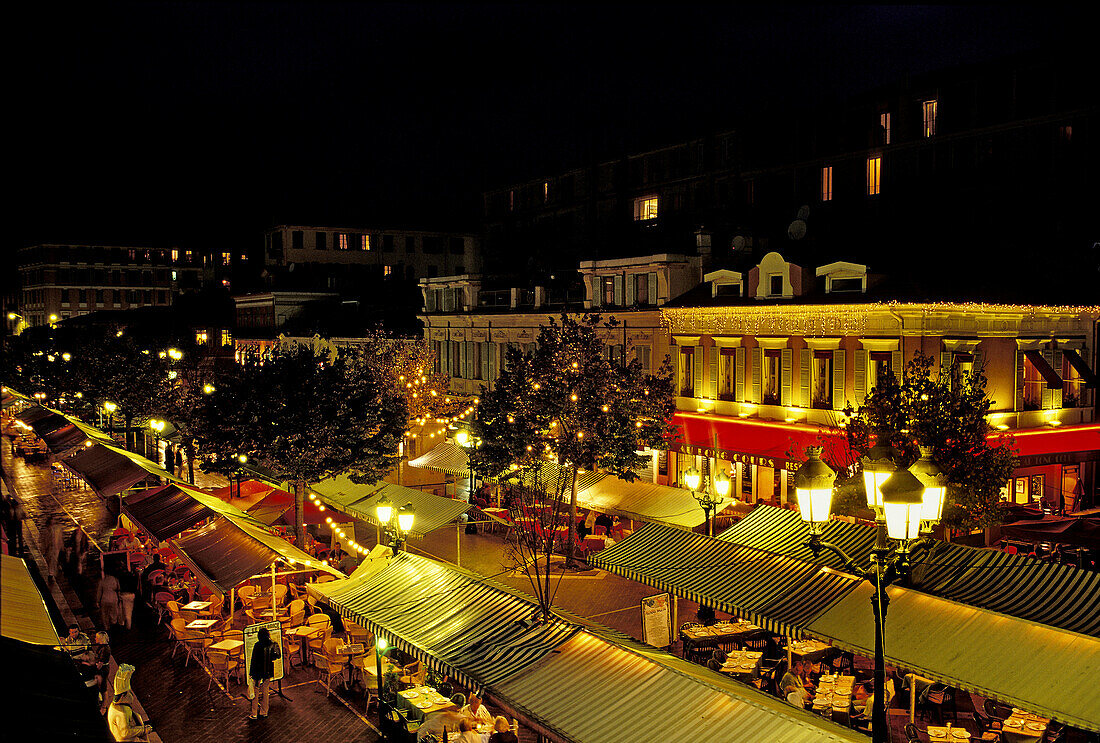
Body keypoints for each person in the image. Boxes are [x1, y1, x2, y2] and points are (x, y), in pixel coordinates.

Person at [107, 664, 152, 742]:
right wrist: (143, 730)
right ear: (123, 696)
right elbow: (125, 732)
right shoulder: (121, 711)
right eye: (129, 693)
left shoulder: (117, 706)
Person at [248, 627, 280, 720]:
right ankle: (264, 712)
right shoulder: (272, 644)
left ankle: (254, 713)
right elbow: (277, 655)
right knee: (265, 691)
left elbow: (253, 660)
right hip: (268, 671)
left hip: (257, 672)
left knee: (255, 692)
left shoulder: (257, 645)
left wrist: (251, 673)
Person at [43, 514, 65, 581]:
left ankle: (51, 573)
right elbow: (44, 540)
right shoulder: (47, 530)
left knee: (53, 559)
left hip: (55, 547)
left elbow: (60, 538)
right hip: (50, 547)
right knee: (50, 560)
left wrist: (61, 546)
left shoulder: (57, 529)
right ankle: (52, 572)